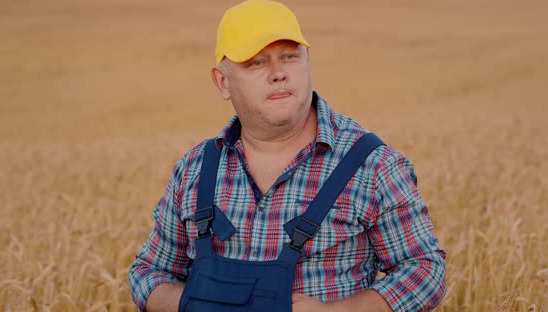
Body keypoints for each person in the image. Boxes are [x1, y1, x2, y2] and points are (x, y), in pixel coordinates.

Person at [129, 0, 446, 311]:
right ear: (222, 81)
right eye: (257, 62)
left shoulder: (373, 166)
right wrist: (191, 304)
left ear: (307, 60)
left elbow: (424, 270)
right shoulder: (195, 170)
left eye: (290, 57)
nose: (278, 73)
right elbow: (149, 272)